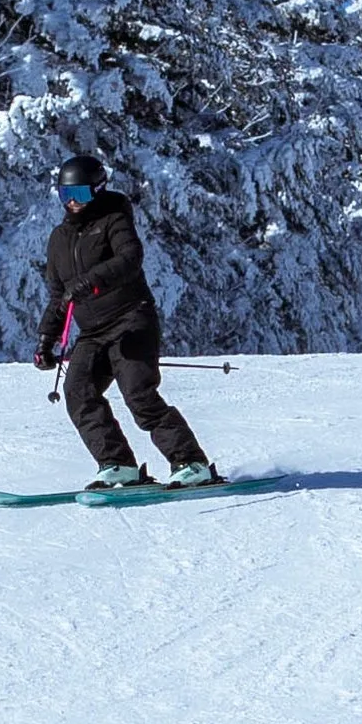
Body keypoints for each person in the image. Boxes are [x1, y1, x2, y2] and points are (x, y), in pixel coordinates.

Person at [36, 153, 219, 487]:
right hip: (92, 332)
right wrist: (45, 341)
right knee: (78, 392)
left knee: (139, 394)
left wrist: (92, 280)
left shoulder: (114, 220)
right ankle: (117, 464)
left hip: (131, 319)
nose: (74, 203)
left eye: (82, 195)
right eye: (66, 195)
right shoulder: (58, 240)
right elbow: (57, 296)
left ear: (99, 190)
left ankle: (192, 463)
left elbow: (130, 259)